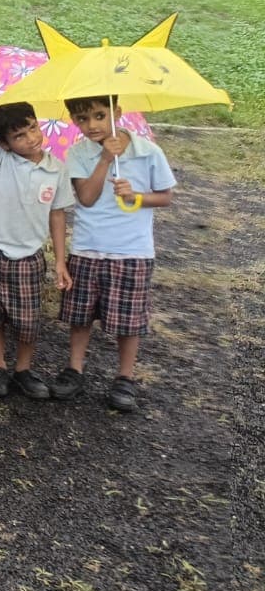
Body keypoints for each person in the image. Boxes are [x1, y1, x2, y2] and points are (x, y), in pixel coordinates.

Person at [0, 68, 75, 400]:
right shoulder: (1, 160)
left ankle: (23, 370)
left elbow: (59, 215)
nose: (31, 137)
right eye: (20, 135)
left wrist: (61, 261)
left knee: (27, 320)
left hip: (28, 257)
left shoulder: (57, 170)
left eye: (33, 127)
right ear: (6, 143)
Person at [51, 96, 176, 412]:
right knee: (81, 316)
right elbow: (87, 198)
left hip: (131, 249)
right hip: (88, 247)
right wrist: (104, 160)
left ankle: (125, 376)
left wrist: (136, 195)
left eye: (99, 115)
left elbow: (165, 197)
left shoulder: (148, 152)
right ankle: (75, 368)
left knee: (128, 320)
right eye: (82, 118)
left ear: (117, 113)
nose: (91, 125)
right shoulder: (79, 153)